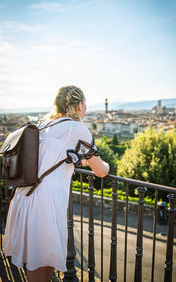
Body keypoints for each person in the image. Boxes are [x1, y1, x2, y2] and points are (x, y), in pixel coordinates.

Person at [3, 85, 110, 282]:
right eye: (85, 104)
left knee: (39, 264)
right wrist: (107, 165)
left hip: (24, 197)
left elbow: (53, 157)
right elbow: (101, 171)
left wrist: (80, 160)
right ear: (79, 105)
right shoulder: (76, 128)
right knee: (41, 268)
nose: (85, 108)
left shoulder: (44, 125)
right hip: (45, 204)